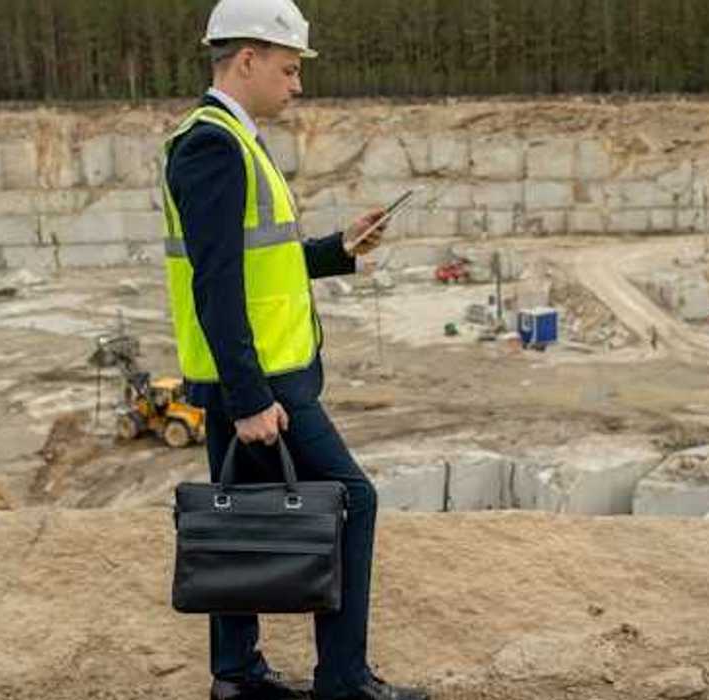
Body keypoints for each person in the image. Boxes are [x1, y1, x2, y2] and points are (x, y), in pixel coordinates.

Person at [161, 2, 428, 699]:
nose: (297, 85)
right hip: (264, 378)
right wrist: (250, 398)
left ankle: (236, 676)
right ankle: (341, 680)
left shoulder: (227, 139)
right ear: (245, 59)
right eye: (287, 69)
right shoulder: (213, 145)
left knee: (236, 511)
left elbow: (258, 263)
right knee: (354, 500)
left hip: (252, 372)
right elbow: (215, 281)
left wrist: (339, 247)